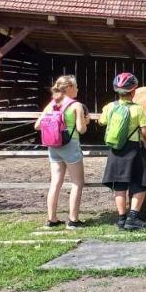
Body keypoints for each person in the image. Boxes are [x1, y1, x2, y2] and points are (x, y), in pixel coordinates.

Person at [99, 72, 146, 231]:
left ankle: (121, 219)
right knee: (141, 182)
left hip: (116, 150)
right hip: (134, 149)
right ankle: (133, 218)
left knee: (119, 185)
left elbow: (102, 121)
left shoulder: (109, 107)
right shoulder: (138, 109)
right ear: (133, 90)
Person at [34, 75, 89, 228]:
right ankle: (73, 220)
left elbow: (37, 125)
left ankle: (51, 219)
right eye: (76, 86)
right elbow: (81, 129)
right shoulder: (76, 105)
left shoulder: (52, 104)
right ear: (69, 87)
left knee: (55, 183)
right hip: (70, 145)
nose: (77, 89)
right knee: (77, 182)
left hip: (53, 146)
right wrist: (86, 120)